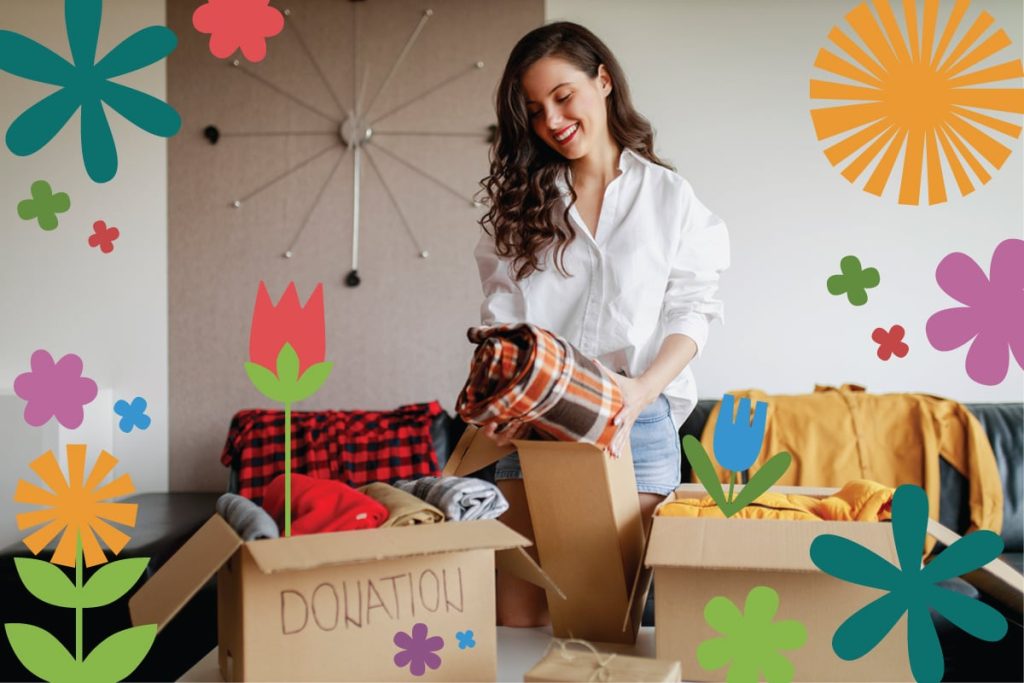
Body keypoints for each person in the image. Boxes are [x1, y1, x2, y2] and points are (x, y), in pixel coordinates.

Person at [473, 21, 730, 627]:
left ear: (603, 81)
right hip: (537, 422)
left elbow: (693, 308)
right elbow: (502, 318)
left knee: (602, 622)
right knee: (516, 617)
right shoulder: (519, 204)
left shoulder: (670, 199)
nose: (552, 120)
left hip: (635, 421)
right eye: (534, 111)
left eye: (564, 96)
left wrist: (642, 393)